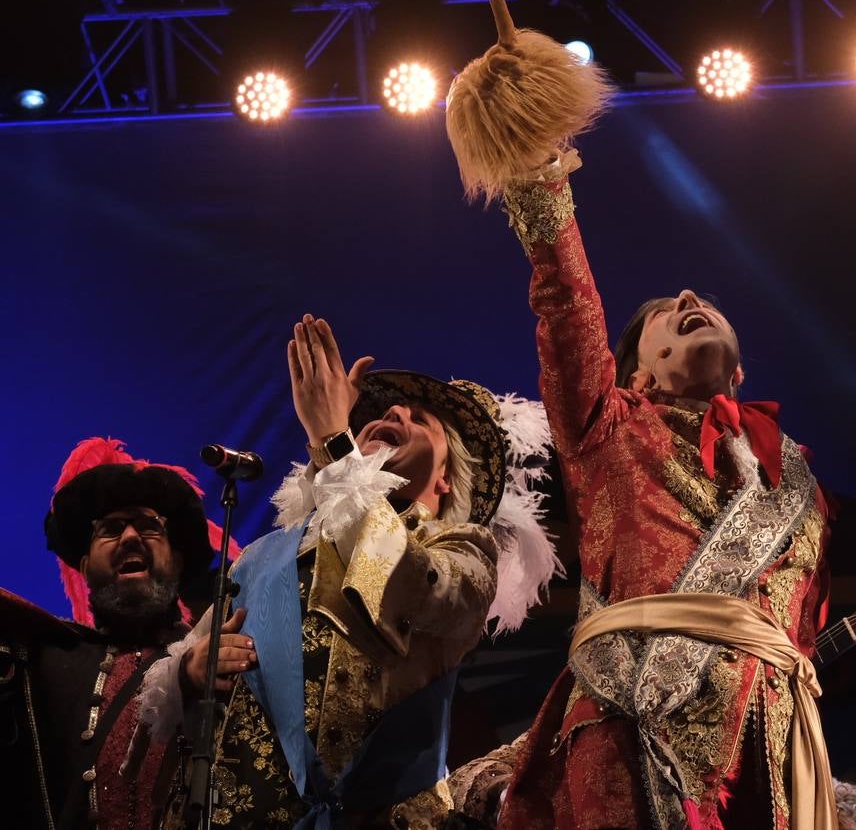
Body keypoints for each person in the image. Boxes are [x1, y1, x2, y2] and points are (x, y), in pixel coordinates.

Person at [445, 0, 835, 830]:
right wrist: (533, 151)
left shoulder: (795, 482)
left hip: (776, 752)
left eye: (699, 302)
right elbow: (565, 301)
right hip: (634, 731)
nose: (690, 297)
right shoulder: (608, 427)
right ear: (633, 374)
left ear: (741, 363)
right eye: (665, 312)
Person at [139, 316, 556, 828]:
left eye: (421, 419)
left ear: (447, 479)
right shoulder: (263, 554)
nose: (395, 411)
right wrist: (188, 673)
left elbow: (399, 576)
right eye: (384, 411)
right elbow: (162, 709)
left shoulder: (464, 550)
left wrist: (335, 442)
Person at [1, 437, 234, 829]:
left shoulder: (215, 654)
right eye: (109, 529)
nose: (129, 537)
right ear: (85, 564)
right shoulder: (35, 662)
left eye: (148, 526)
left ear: (177, 559)